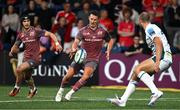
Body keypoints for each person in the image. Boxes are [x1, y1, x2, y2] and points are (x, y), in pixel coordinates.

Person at [107, 12, 172, 107]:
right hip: (163, 56)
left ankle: (155, 92)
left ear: (140, 20)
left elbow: (158, 43)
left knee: (137, 69)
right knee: (135, 75)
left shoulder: (150, 29)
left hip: (163, 56)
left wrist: (157, 62)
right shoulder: (151, 27)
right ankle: (123, 100)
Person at [55, 10, 115, 102]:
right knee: (67, 76)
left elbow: (110, 40)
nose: (93, 21)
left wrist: (108, 50)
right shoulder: (83, 31)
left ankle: (70, 93)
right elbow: (76, 42)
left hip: (93, 59)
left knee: (86, 76)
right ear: (89, 19)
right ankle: (60, 91)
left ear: (98, 20)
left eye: (95, 19)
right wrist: (74, 48)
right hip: (81, 57)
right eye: (91, 19)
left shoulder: (102, 31)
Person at [8, 15, 62, 98]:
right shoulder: (21, 34)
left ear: (30, 22)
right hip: (26, 58)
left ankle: (17, 87)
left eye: (28, 21)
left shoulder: (36, 31)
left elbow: (51, 34)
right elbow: (16, 45)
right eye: (24, 21)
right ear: (22, 23)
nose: (26, 23)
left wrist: (57, 44)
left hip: (35, 58)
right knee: (27, 77)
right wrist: (12, 51)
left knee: (19, 69)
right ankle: (33, 89)